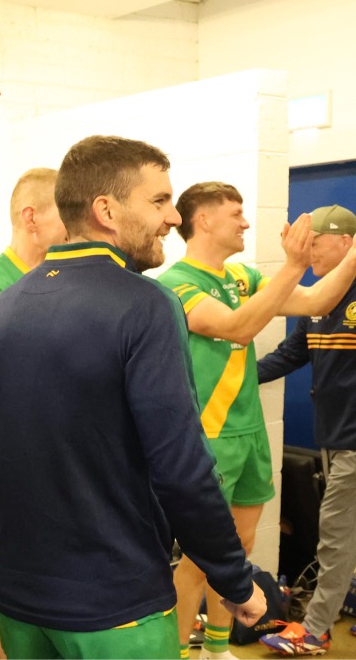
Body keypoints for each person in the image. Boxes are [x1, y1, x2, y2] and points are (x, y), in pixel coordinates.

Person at [0, 135, 266, 659]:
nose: (173, 217)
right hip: (118, 606)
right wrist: (233, 578)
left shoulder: (1, 310)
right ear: (105, 210)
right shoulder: (147, 305)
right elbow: (182, 467)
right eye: (159, 201)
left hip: (22, 603)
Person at [158, 184, 356, 660]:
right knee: (200, 560)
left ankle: (217, 648)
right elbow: (237, 327)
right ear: (204, 220)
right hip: (210, 437)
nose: (247, 222)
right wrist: (292, 266)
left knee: (238, 551)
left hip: (250, 434)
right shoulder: (174, 283)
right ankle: (178, 653)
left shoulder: (243, 276)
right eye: (236, 213)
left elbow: (315, 302)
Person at [0, 166, 65, 659]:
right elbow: (6, 398)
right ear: (31, 217)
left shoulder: (56, 279)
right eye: (64, 214)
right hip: (5, 477)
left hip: (52, 474)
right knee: (10, 606)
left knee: (45, 605)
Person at [257, 205, 356, 655]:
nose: (308, 250)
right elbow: (290, 355)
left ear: (346, 243)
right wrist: (233, 375)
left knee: (335, 535)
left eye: (316, 241)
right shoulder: (318, 301)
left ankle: (315, 629)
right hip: (331, 437)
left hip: (353, 441)